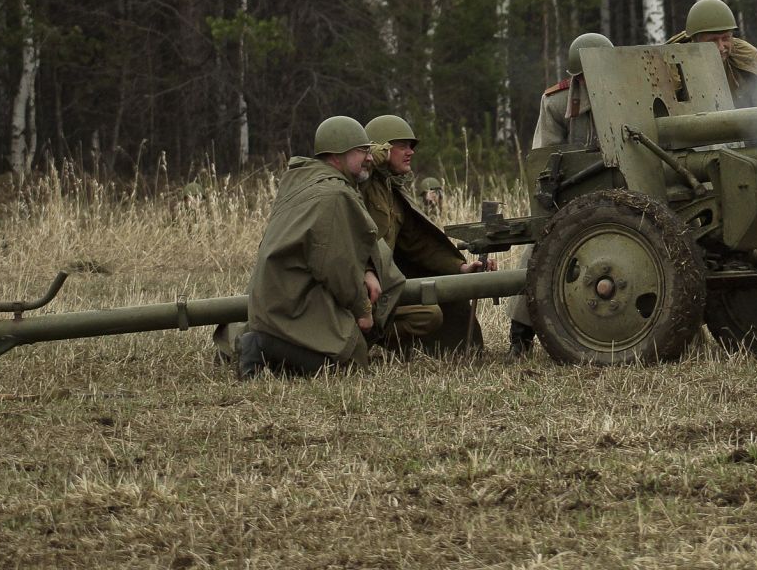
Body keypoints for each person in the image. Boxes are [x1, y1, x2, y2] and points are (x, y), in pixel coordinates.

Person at [237, 116, 404, 377]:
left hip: (276, 300)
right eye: (362, 151)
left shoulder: (300, 182)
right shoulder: (335, 195)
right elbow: (337, 265)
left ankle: (265, 345)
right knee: (350, 364)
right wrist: (364, 312)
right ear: (338, 154)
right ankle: (262, 347)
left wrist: (367, 270)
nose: (369, 158)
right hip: (294, 304)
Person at [510, 32, 614, 355]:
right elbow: (544, 161)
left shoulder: (629, 93)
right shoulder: (557, 103)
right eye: (587, 75)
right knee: (539, 252)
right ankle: (520, 333)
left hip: (627, 195)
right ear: (577, 78)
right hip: (571, 200)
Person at [360, 113, 490, 355]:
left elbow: (419, 245)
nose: (410, 152)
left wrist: (459, 268)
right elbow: (358, 163)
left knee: (434, 312)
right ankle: (360, 342)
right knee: (426, 315)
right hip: (357, 285)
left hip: (382, 285)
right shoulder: (360, 184)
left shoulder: (391, 192)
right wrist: (378, 153)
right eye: (401, 146)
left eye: (411, 146)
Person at [672, 0, 757, 108]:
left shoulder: (746, 54)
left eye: (725, 38)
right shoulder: (675, 60)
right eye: (712, 40)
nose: (721, 47)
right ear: (695, 41)